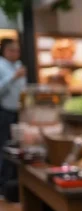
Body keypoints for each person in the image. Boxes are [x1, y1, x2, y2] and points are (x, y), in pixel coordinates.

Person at [0, 38, 26, 195]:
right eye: (12, 50)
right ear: (4, 50)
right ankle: (3, 186)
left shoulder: (18, 65)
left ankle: (14, 185)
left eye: (17, 50)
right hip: (5, 113)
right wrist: (13, 77)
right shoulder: (1, 65)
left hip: (19, 112)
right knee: (5, 147)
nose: (16, 53)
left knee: (17, 149)